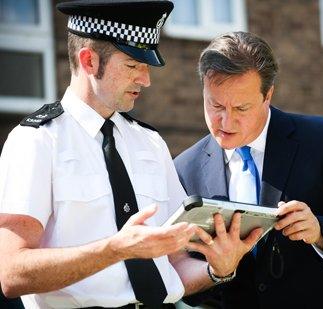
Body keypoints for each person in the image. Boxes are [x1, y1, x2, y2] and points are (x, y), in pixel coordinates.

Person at [0, 2, 261, 308]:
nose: (145, 79)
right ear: (89, 61)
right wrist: (115, 249)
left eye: (146, 66)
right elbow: (11, 272)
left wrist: (218, 269)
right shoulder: (37, 141)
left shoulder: (150, 143)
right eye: (132, 65)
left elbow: (175, 266)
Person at [174, 31, 323, 308]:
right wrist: (218, 270)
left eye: (241, 108)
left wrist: (321, 232)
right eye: (216, 105)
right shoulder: (184, 168)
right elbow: (189, 288)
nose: (226, 121)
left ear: (267, 94)